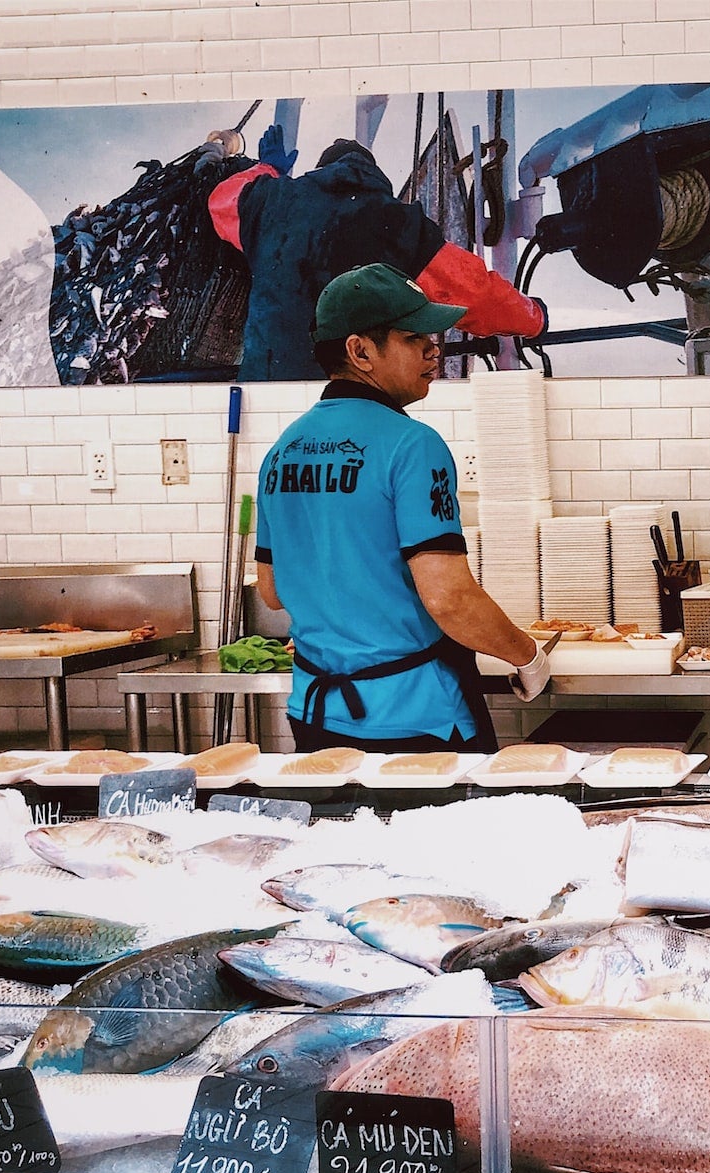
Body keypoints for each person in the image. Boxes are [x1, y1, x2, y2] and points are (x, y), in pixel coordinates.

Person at [253, 263, 552, 753]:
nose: (434, 351)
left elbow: (272, 591)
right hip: (415, 718)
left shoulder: (282, 452)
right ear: (360, 352)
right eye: (415, 339)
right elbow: (449, 599)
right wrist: (528, 656)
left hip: (316, 714)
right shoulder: (413, 444)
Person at [210, 128, 546, 381]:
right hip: (350, 396)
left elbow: (222, 199)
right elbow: (475, 294)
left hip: (266, 389)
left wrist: (268, 169)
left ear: (322, 170)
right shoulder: (397, 223)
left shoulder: (272, 201)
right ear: (372, 174)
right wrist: (534, 318)